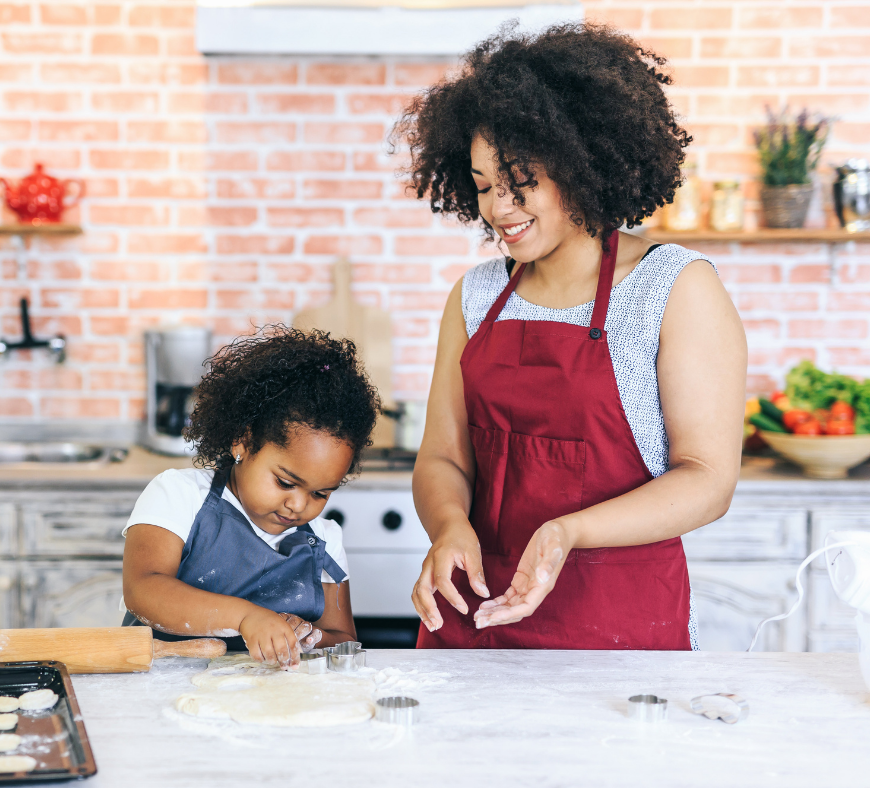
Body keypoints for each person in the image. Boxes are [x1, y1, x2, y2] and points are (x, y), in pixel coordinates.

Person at [395, 22, 747, 649]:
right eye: (482, 185)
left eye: (520, 180)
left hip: (615, 625)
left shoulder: (674, 289)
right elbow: (443, 457)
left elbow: (707, 479)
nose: (499, 208)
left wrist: (567, 532)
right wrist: (449, 526)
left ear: (583, 161)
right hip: (474, 617)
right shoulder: (476, 297)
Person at [121, 327, 380, 668]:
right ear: (242, 442)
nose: (299, 505)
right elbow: (144, 590)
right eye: (285, 482)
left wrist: (305, 636)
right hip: (160, 690)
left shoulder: (324, 542)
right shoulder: (179, 495)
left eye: (320, 493)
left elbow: (343, 639)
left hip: (265, 705)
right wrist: (247, 617)